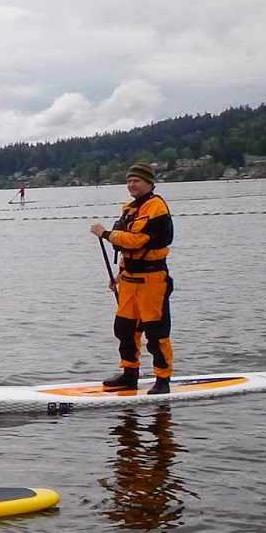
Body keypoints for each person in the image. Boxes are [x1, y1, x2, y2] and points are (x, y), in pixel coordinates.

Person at [90, 162, 174, 394]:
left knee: (156, 331)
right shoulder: (129, 207)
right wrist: (119, 274)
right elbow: (126, 246)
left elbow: (137, 240)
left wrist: (106, 234)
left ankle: (163, 379)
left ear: (149, 183)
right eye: (128, 181)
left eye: (136, 181)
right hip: (129, 279)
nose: (131, 185)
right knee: (124, 328)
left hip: (152, 279)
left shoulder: (156, 207)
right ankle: (129, 374)